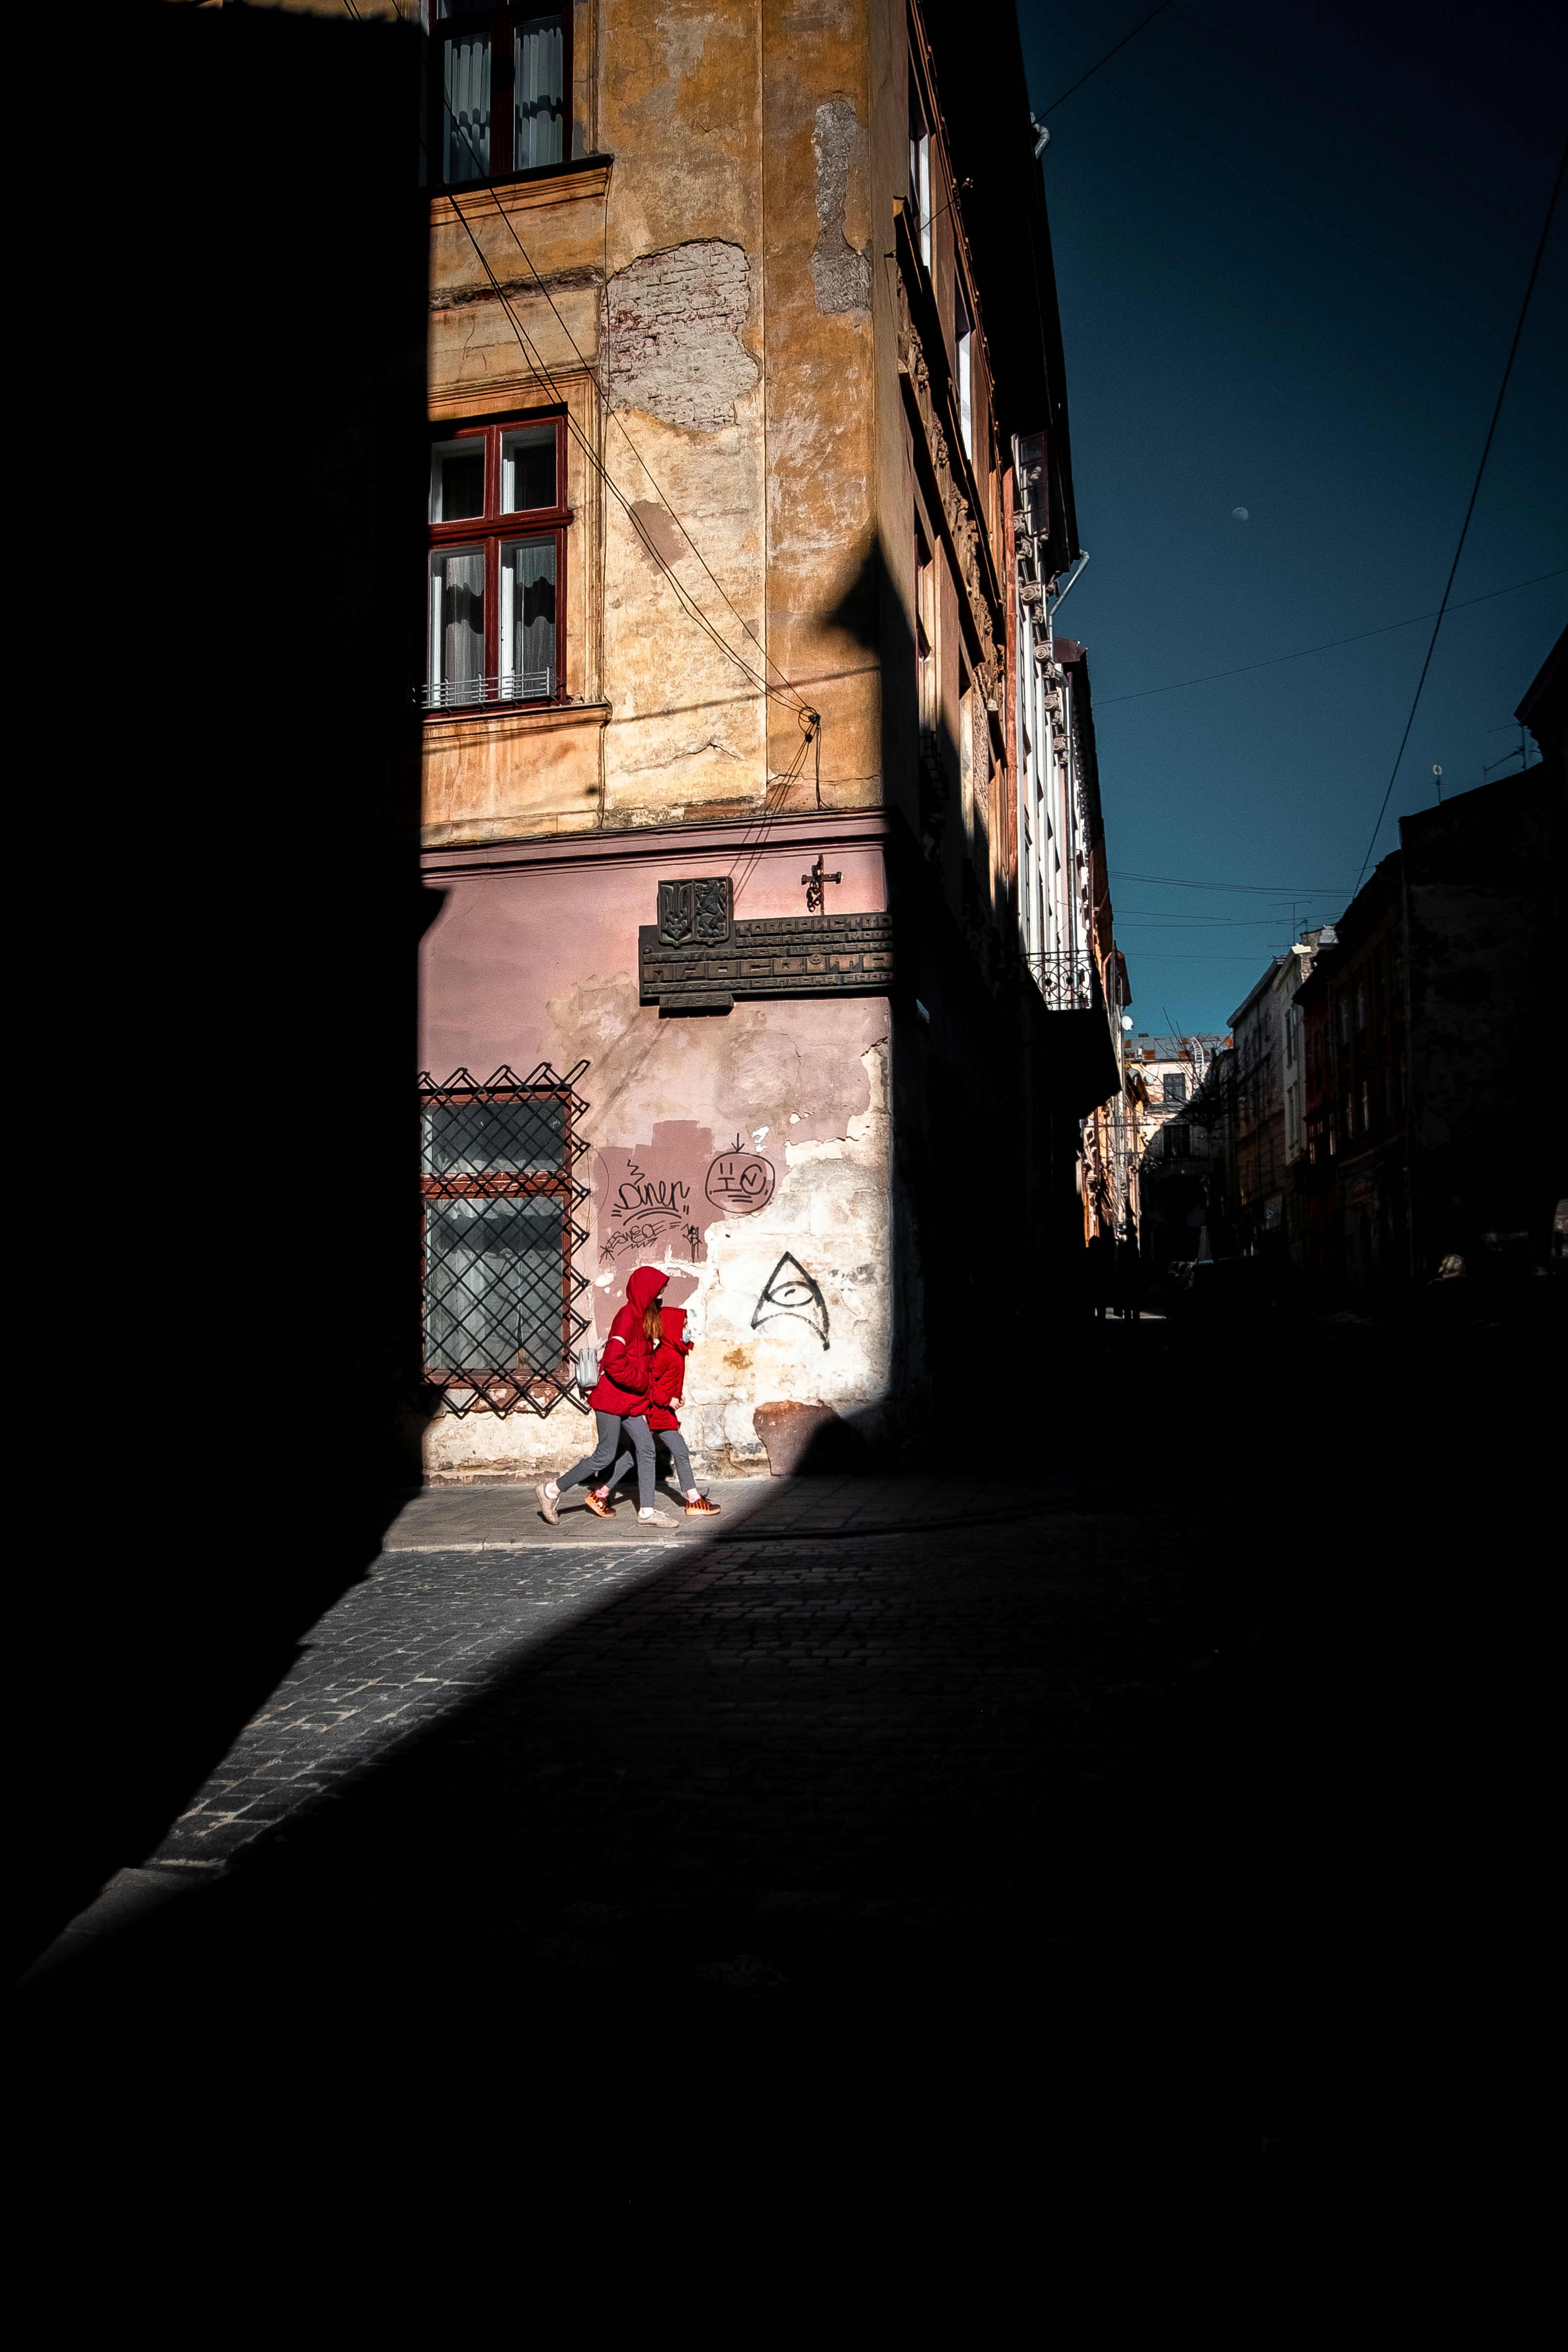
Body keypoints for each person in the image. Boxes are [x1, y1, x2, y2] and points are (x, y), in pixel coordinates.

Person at [535, 1266, 672, 1526]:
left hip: (629, 1401)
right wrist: (641, 1381)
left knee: (646, 1448)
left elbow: (642, 1362)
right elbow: (613, 1362)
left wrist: (649, 1387)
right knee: (605, 1455)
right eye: (658, 1291)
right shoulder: (627, 1318)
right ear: (646, 1291)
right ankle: (551, 1490)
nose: (661, 1295)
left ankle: (647, 1513)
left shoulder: (643, 1318)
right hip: (611, 1399)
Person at [593, 1300, 720, 1518]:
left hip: (662, 1411)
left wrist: (676, 1399)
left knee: (635, 1455)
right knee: (680, 1452)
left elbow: (667, 1383)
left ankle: (601, 1494)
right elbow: (650, 1384)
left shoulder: (675, 1351)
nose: (687, 1330)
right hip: (656, 1413)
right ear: (670, 1328)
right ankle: (693, 1500)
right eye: (683, 1325)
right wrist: (666, 1401)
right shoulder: (665, 1354)